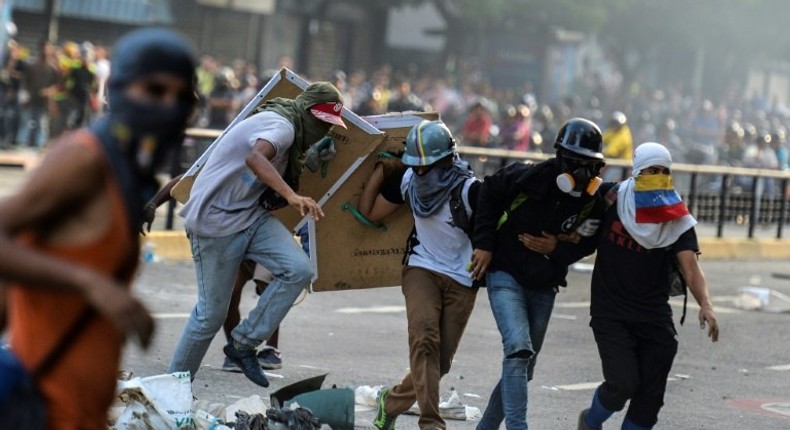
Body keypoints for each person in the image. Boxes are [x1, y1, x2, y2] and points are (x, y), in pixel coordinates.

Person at [0, 27, 197, 429]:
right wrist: (90, 283)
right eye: (155, 90)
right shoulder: (83, 159)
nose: (168, 105)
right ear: (119, 89)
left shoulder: (126, 169)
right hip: (42, 407)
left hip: (80, 411)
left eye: (180, 96)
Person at [167, 80, 346, 388]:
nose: (324, 130)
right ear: (307, 111)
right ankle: (172, 389)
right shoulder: (283, 126)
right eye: (321, 122)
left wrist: (311, 159)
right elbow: (256, 158)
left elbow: (283, 163)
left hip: (249, 217)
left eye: (329, 125)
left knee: (299, 269)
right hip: (216, 223)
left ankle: (242, 344)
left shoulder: (294, 134)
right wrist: (291, 196)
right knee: (210, 316)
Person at [469, 118, 608, 430]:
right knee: (518, 350)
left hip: (545, 284)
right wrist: (484, 245)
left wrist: (556, 247)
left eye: (591, 166)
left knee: (524, 365)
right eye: (577, 164)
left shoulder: (592, 201)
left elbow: (590, 242)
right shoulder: (527, 176)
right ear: (561, 158)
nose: (584, 173)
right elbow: (488, 192)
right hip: (505, 273)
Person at [577, 142, 719, 430]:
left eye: (664, 171)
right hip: (611, 312)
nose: (657, 175)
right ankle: (590, 421)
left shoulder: (676, 217)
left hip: (653, 316)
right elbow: (577, 230)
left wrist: (706, 304)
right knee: (622, 383)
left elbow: (690, 266)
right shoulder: (611, 198)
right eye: (651, 170)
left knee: (650, 397)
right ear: (637, 170)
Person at [357, 120, 481, 430]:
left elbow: (492, 232)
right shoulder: (409, 179)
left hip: (463, 280)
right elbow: (369, 213)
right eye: (416, 165)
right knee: (425, 341)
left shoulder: (470, 189)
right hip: (421, 268)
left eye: (426, 166)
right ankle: (431, 423)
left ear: (446, 159)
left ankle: (391, 401)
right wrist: (381, 172)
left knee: (440, 362)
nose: (420, 172)